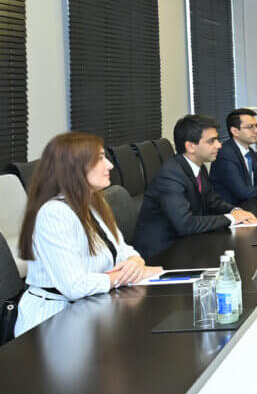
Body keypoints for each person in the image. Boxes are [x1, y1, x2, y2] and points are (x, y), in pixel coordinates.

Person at [15, 133, 162, 336]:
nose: (110, 165)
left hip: (89, 310)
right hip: (53, 323)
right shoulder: (54, 213)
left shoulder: (92, 204)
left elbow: (122, 249)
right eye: (100, 158)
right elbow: (74, 286)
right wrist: (125, 276)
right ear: (74, 167)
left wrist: (135, 262)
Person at [133, 115, 257, 263]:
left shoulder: (199, 167)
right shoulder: (170, 176)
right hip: (161, 256)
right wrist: (231, 219)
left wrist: (235, 211)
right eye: (211, 141)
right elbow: (185, 224)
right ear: (190, 146)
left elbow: (212, 202)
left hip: (186, 245)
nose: (219, 145)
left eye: (217, 140)